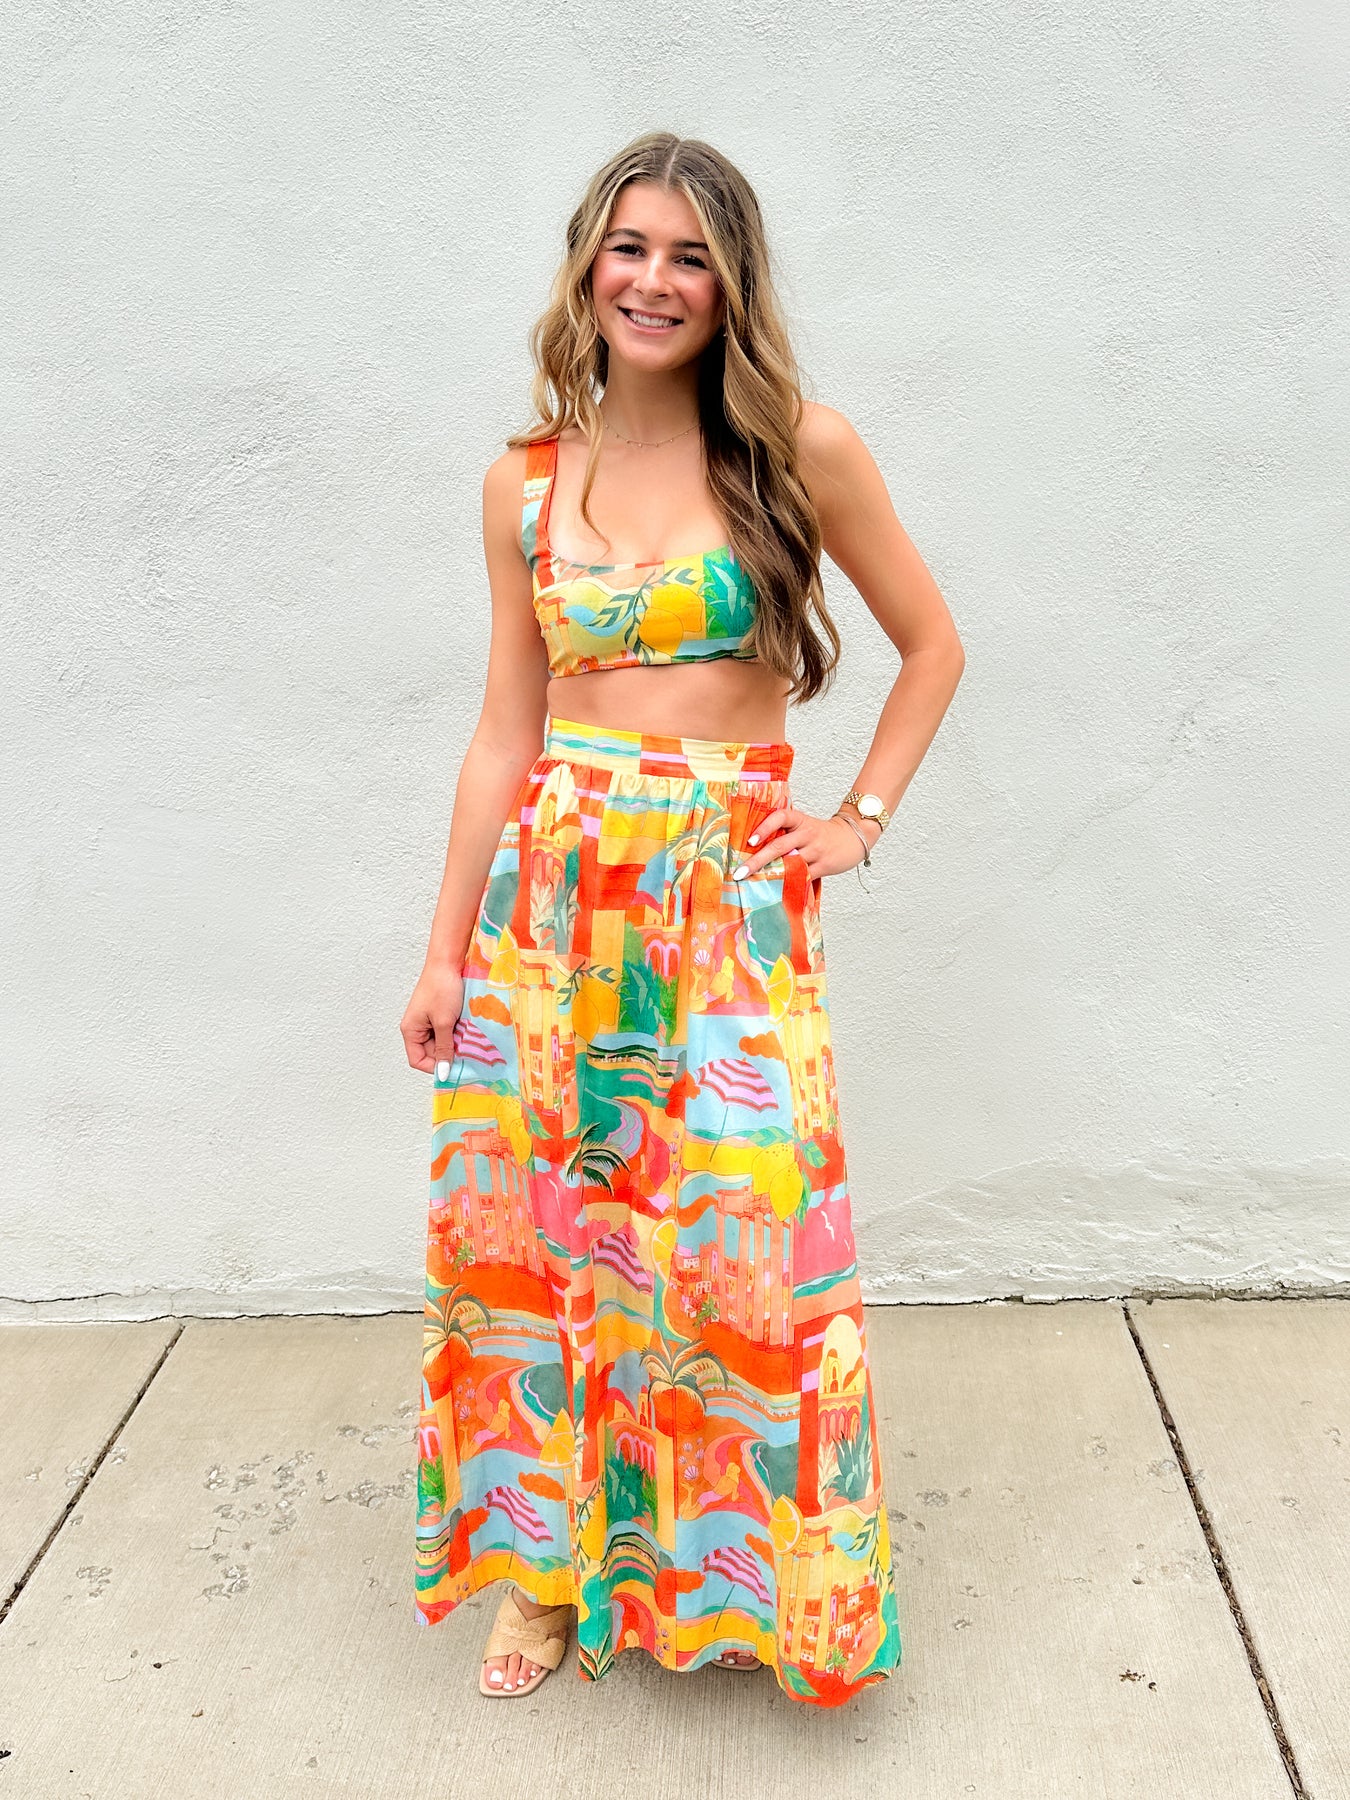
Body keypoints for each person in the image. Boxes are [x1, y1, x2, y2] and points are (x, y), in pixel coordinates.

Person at [401, 130, 964, 1707]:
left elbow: (932, 647)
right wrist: (443, 952)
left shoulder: (799, 452)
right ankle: (543, 1578)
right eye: (630, 248)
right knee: (548, 1240)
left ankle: (758, 1584)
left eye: (690, 257)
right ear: (588, 265)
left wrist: (855, 821)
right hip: (553, 897)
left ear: (731, 286)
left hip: (725, 893)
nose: (653, 281)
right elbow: (502, 731)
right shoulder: (524, 482)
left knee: (742, 1237)